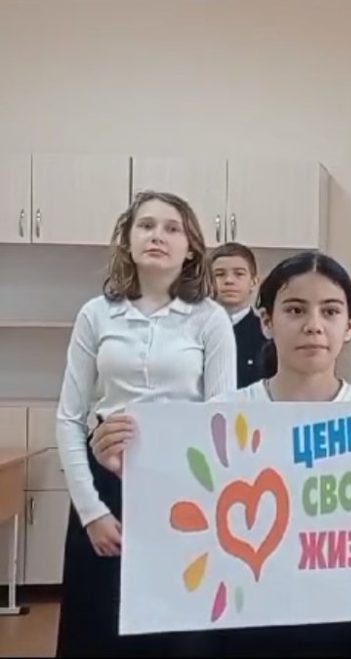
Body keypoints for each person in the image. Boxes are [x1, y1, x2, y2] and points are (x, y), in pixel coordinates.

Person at [90, 250, 351, 658]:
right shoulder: (219, 419)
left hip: (346, 621)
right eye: (295, 310)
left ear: (350, 326)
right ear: (267, 321)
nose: (313, 325)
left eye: (330, 311)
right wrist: (133, 471)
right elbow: (181, 515)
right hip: (242, 622)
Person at [54, 191, 236, 657]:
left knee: (180, 631)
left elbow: (221, 420)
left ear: (191, 248)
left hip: (185, 489)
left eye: (172, 228)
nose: (158, 236)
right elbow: (70, 416)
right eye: (146, 225)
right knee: (100, 623)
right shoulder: (96, 314)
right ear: (128, 240)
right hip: (106, 487)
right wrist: (91, 511)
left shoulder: (210, 320)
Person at [210, 241, 267, 387]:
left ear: (253, 282)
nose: (229, 280)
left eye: (239, 274)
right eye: (219, 274)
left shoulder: (266, 336)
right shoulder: (195, 333)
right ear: (207, 282)